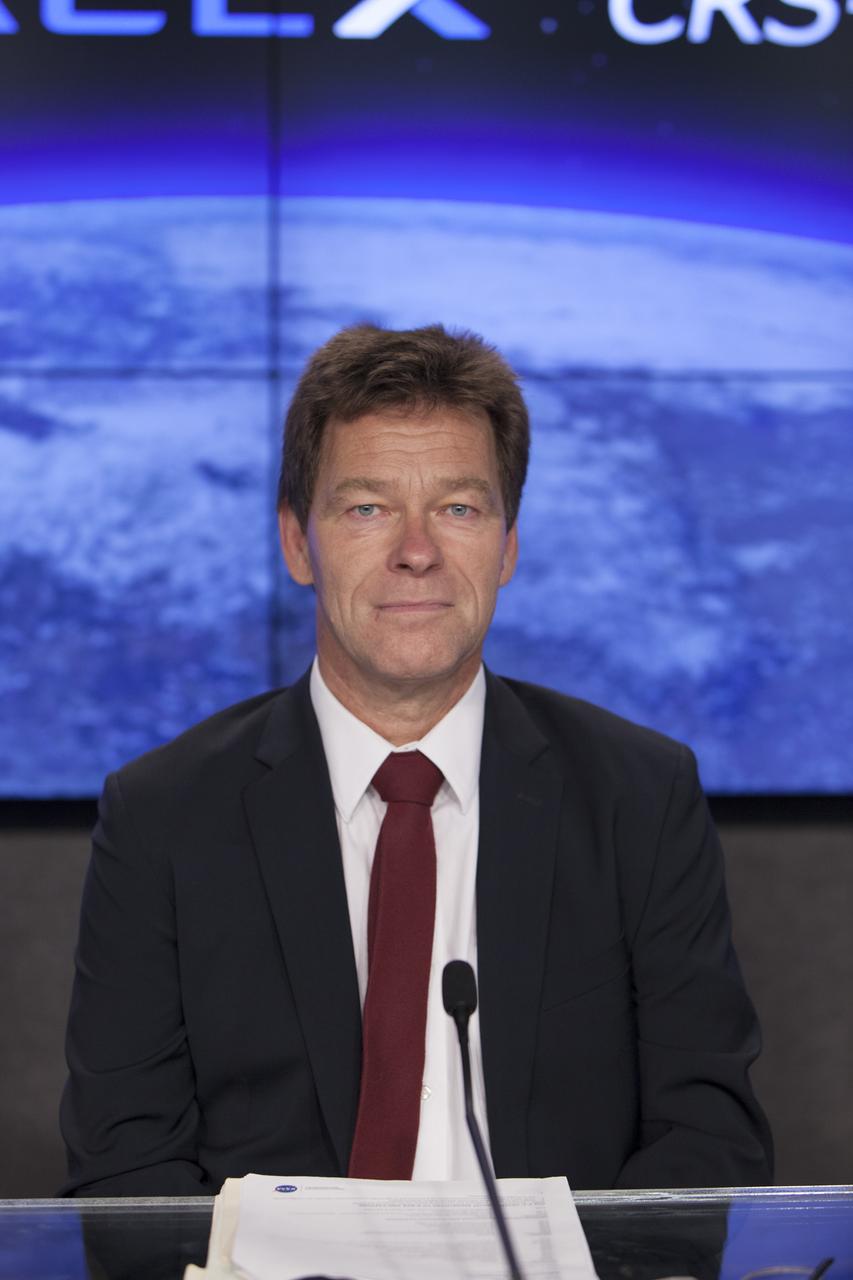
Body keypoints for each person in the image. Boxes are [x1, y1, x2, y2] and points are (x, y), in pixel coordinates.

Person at [61, 323, 773, 1196]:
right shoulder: (164, 814)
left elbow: (706, 1140)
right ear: (297, 544)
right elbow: (126, 1169)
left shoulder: (639, 798)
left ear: (506, 547)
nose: (417, 551)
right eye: (366, 508)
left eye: (458, 509)